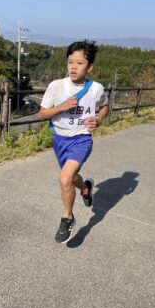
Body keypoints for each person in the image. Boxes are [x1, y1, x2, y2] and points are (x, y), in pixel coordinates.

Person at [37, 40, 108, 244]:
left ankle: (67, 217)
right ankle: (85, 188)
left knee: (64, 178)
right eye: (70, 62)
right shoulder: (56, 86)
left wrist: (99, 120)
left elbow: (104, 106)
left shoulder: (96, 88)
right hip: (60, 140)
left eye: (79, 63)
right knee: (71, 178)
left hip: (81, 140)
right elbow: (42, 114)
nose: (73, 67)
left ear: (90, 66)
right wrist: (62, 106)